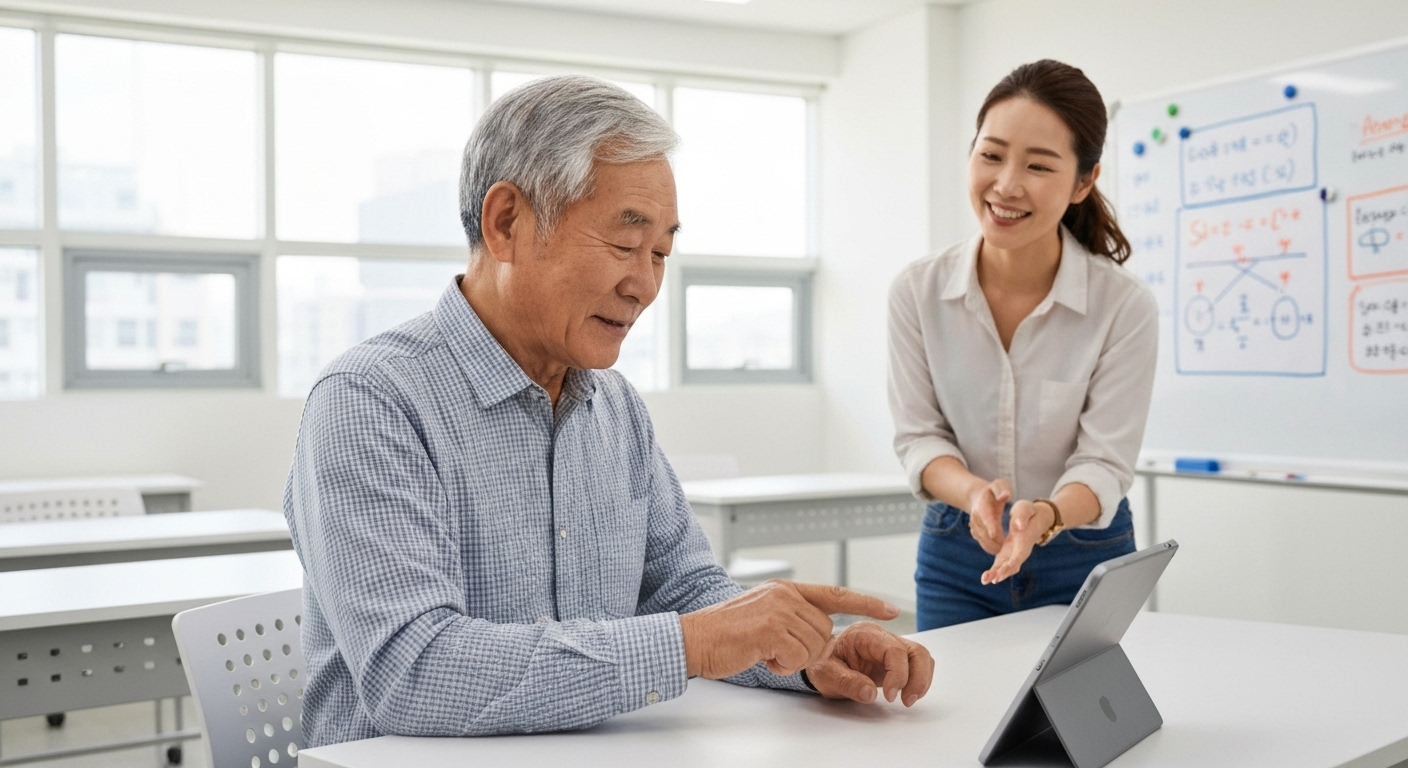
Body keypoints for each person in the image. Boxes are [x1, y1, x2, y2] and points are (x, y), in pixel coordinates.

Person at [285, 75, 934, 748]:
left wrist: (797, 654)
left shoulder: (613, 405)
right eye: (625, 246)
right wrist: (695, 643)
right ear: (506, 221)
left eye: (661, 254)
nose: (645, 285)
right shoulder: (370, 401)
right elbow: (413, 672)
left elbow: (680, 590)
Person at [888, 60, 1159, 631]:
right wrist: (975, 496)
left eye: (1038, 166)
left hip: (1085, 554)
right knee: (952, 716)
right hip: (958, 552)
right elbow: (919, 437)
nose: (1006, 185)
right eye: (991, 155)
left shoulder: (1122, 307)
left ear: (1084, 182)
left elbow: (1104, 461)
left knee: (1084, 721)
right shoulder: (918, 291)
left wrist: (1048, 514)